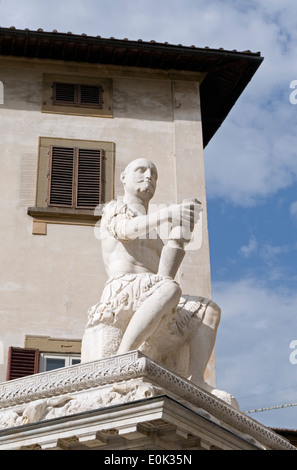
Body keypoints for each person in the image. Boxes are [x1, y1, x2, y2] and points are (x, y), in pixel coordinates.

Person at [82, 158, 238, 406]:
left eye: (153, 173)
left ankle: (197, 379)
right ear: (124, 177)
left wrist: (180, 234)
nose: (149, 176)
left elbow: (165, 274)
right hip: (123, 287)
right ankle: (124, 357)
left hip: (154, 289)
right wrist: (167, 214)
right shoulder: (114, 207)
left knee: (209, 308)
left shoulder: (154, 232)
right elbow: (126, 230)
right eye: (141, 171)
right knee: (169, 288)